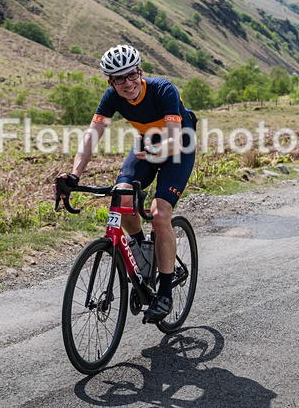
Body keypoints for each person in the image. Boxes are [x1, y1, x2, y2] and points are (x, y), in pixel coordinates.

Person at [57, 44, 197, 323]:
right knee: (122, 198)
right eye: (119, 79)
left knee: (159, 215)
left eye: (131, 75)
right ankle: (142, 252)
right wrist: (74, 175)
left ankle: (165, 293)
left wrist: (158, 152)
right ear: (110, 81)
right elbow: (91, 136)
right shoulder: (112, 97)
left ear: (140, 71)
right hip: (147, 144)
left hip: (178, 144)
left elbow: (173, 138)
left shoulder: (163, 89)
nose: (127, 83)